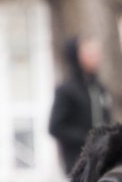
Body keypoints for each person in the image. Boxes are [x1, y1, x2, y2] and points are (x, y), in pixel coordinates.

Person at [48, 35, 112, 174]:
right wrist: (88, 137)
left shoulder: (99, 88)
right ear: (77, 56)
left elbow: (106, 119)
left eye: (97, 54)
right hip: (77, 162)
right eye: (90, 54)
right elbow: (55, 127)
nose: (96, 58)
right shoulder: (67, 90)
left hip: (102, 160)